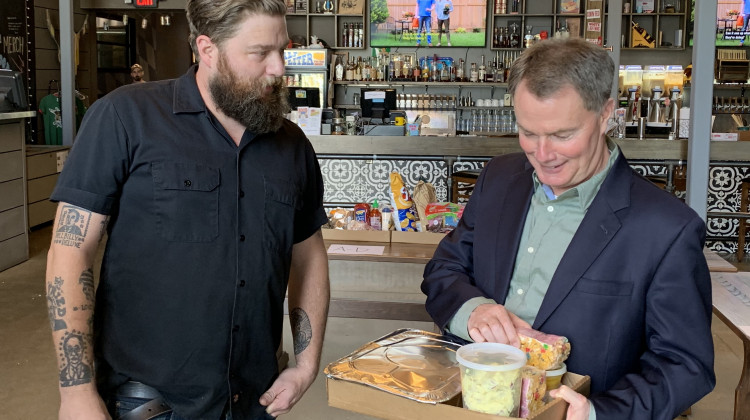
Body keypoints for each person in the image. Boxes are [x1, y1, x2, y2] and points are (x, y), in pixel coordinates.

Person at [45, 0, 330, 419]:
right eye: (260, 53)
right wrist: (76, 391)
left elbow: (308, 258)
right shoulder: (125, 117)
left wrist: (306, 366)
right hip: (147, 403)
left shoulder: (291, 145)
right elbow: (71, 252)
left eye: (282, 50)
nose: (279, 68)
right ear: (207, 49)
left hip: (253, 399)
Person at [421, 38, 714, 419]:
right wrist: (474, 310)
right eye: (528, 132)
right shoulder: (499, 178)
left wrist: (599, 412)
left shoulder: (667, 229)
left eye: (562, 135)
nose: (543, 155)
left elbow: (685, 365)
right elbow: (444, 270)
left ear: (606, 114)